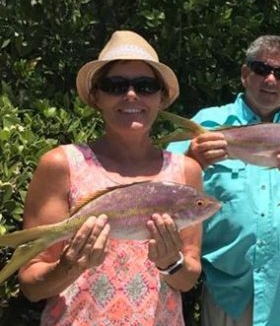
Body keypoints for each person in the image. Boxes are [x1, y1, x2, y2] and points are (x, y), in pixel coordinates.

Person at [17, 30, 204, 325]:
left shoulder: (186, 172)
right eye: (115, 85)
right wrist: (70, 266)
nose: (131, 95)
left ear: (161, 97)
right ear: (96, 96)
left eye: (146, 86)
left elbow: (187, 279)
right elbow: (31, 285)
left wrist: (171, 263)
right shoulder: (61, 164)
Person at [166, 35, 280, 326]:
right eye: (261, 69)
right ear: (245, 74)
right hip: (227, 295)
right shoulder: (208, 125)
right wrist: (192, 159)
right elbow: (163, 193)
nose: (271, 79)